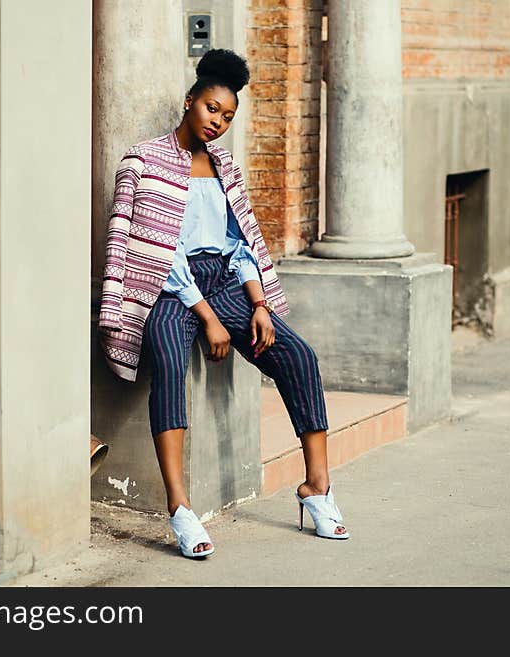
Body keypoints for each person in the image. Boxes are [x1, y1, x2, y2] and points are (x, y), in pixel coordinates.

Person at [98, 49, 349, 559]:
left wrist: (257, 303)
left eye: (228, 116)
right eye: (212, 109)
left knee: (298, 355)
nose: (218, 122)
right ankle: (180, 508)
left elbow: (242, 243)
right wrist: (207, 317)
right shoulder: (142, 159)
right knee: (168, 361)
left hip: (224, 283)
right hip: (169, 288)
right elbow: (151, 248)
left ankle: (317, 487)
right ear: (190, 101)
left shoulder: (224, 165)